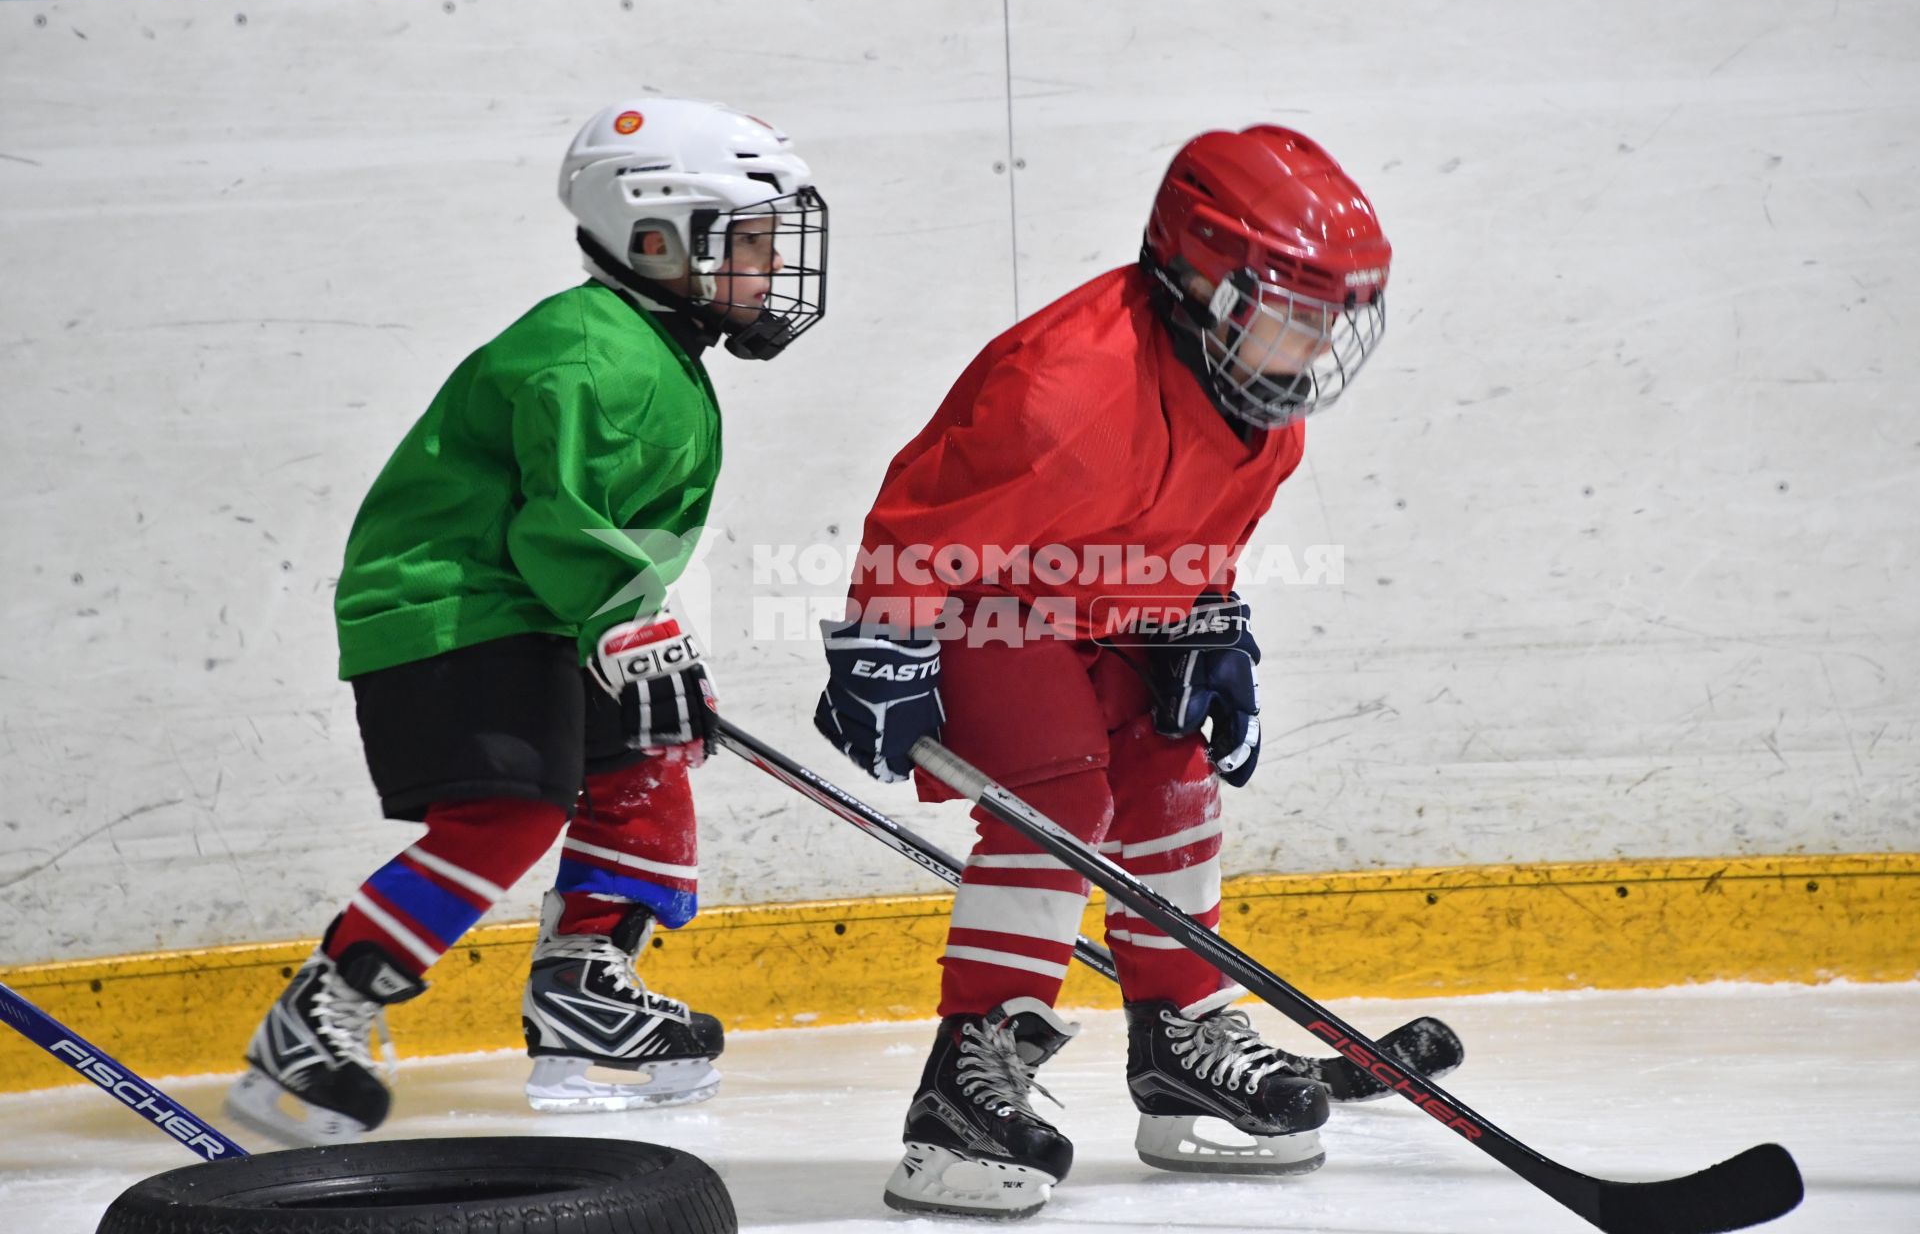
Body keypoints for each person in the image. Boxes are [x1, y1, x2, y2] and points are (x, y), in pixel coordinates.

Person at [224, 97, 829, 1148]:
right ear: (655, 239)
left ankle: (583, 985)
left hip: (536, 599)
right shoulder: (593, 354)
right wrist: (625, 618)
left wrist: (643, 627)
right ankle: (317, 1018)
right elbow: (562, 523)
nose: (767, 268)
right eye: (748, 243)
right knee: (505, 815)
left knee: (650, 749)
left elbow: (589, 532)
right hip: (451, 602)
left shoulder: (650, 348)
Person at [814, 125, 1389, 1217]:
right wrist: (880, 647)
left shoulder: (1266, 413)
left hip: (1105, 608)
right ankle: (966, 1080)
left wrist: (1207, 624)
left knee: (1171, 768)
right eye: (1295, 307)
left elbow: (1193, 548)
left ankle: (1178, 1037)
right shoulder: (1069, 393)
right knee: (1059, 795)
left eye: (1332, 315)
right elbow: (918, 525)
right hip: (984, 605)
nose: (1317, 341)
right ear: (1207, 279)